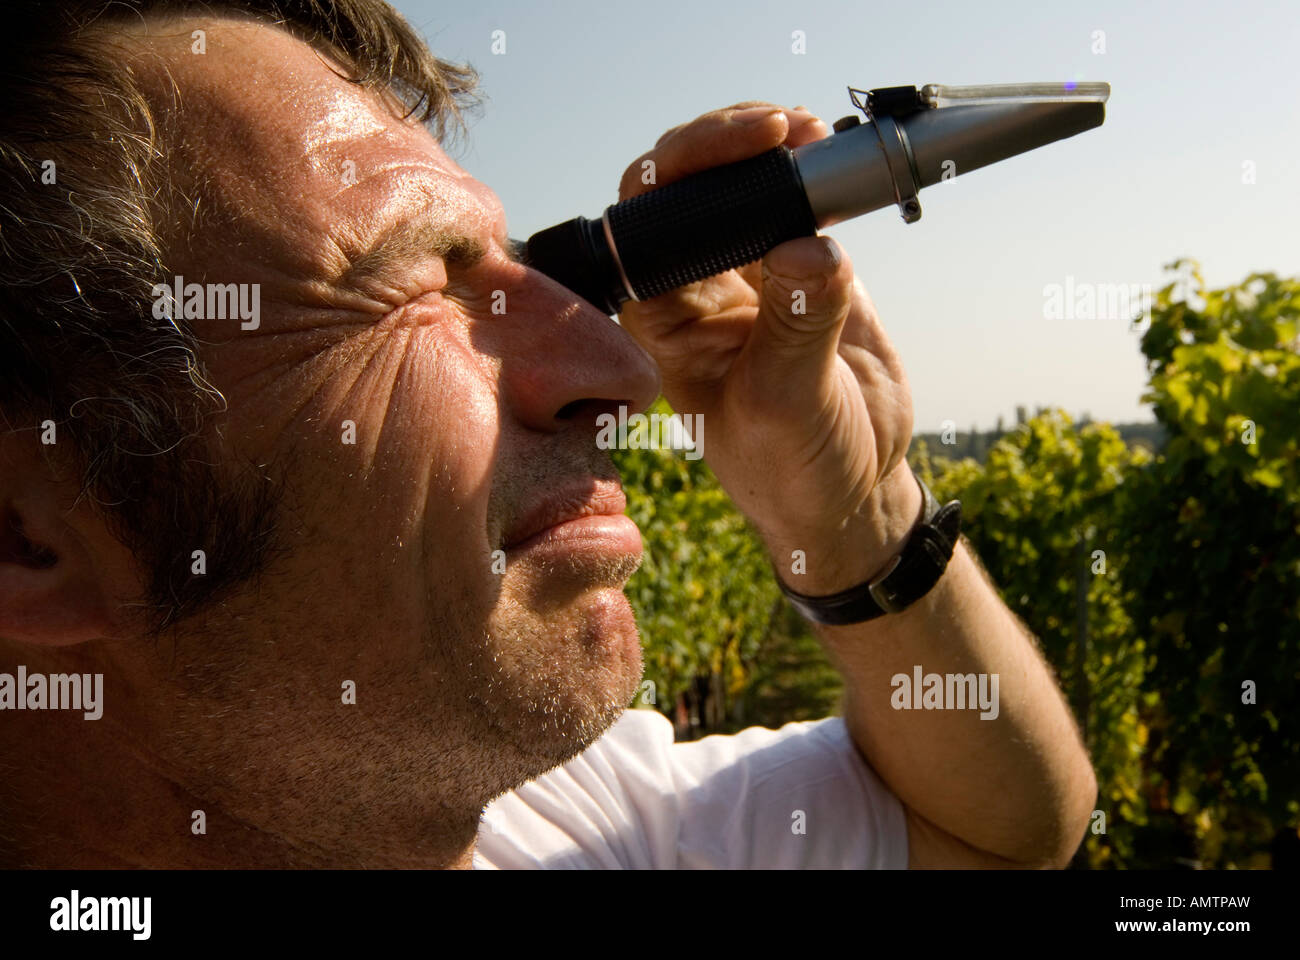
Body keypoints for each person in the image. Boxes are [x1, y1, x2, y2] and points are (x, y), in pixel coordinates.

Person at [0, 0, 1096, 869]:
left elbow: (1002, 834)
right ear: (24, 534)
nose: (622, 374)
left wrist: (854, 515)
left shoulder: (575, 818)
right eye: (412, 287)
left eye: (523, 270)